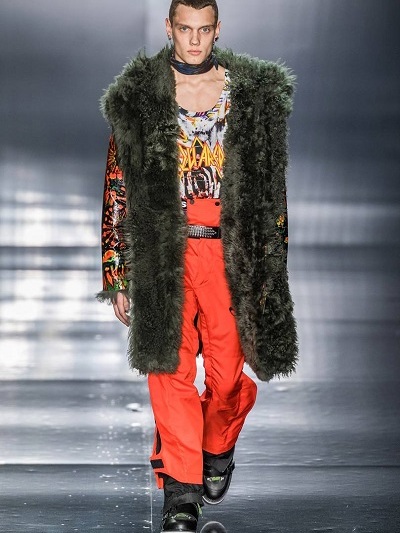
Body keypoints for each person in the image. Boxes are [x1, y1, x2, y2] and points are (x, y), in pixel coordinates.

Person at [97, 1, 298, 531]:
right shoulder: (141, 97)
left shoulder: (249, 96)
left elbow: (271, 192)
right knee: (169, 370)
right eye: (184, 29)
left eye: (203, 30)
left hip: (228, 253)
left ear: (216, 30)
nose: (193, 41)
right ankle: (181, 493)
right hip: (164, 251)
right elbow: (118, 183)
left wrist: (271, 272)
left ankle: (218, 445)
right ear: (169, 27)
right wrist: (117, 271)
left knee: (228, 377)